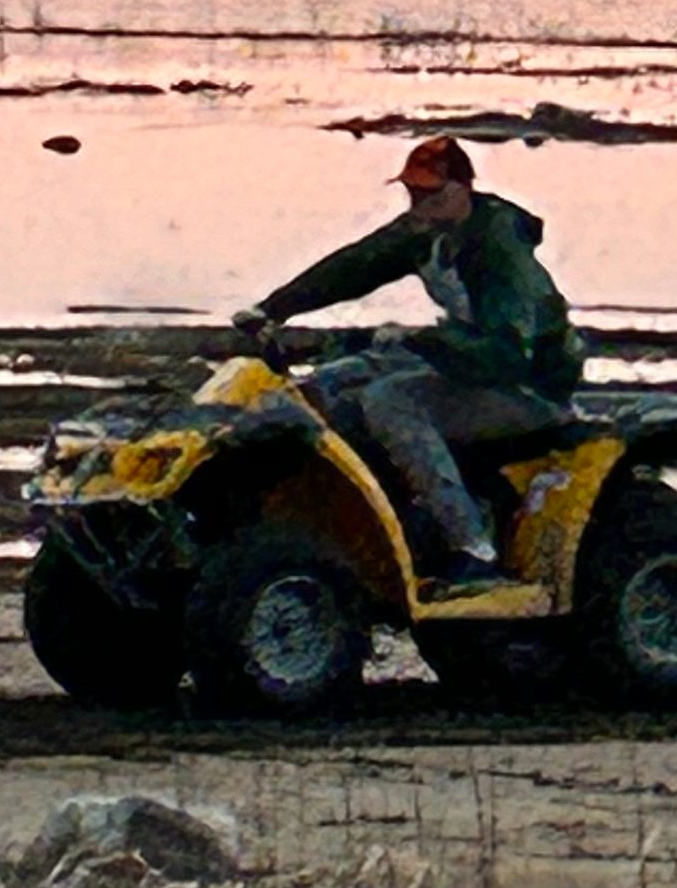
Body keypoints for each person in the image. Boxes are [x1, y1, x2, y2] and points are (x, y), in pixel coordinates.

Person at [232, 135, 581, 599]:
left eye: (430, 192)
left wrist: (422, 343)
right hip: (470, 366)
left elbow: (506, 353)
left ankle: (473, 548)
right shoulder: (427, 233)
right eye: (412, 191)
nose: (418, 201)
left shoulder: (499, 249)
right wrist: (275, 309)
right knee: (334, 381)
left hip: (529, 389)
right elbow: (358, 264)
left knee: (392, 401)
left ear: (462, 188)